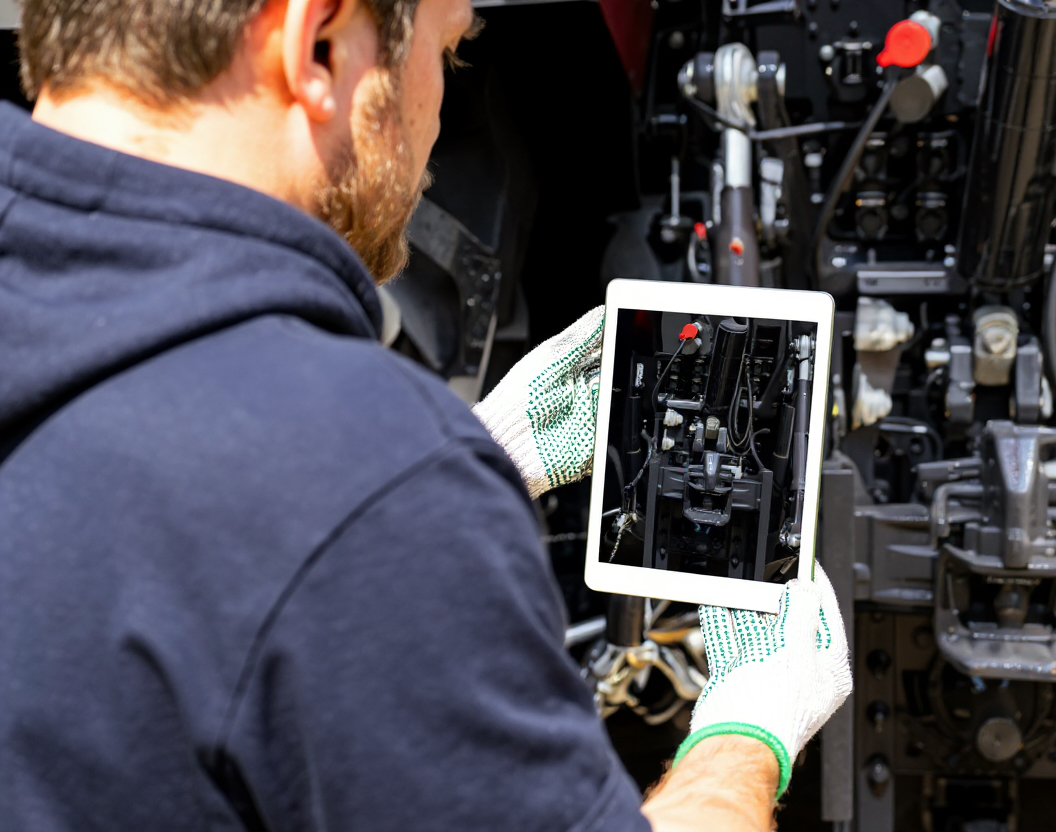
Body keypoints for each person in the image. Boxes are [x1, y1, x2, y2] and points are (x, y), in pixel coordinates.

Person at [0, 1, 852, 830]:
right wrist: (749, 729)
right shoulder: (366, 476)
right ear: (319, 44)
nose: (439, 112)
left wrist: (478, 456)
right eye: (446, 53)